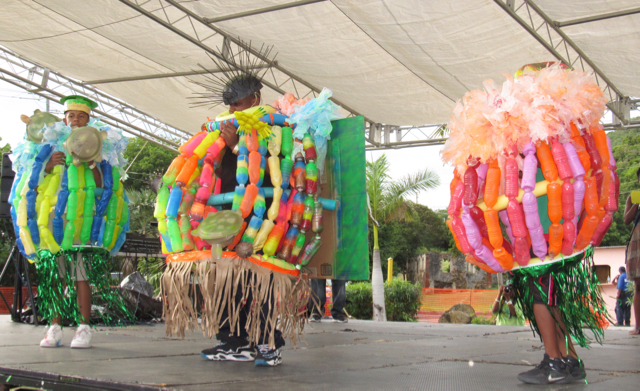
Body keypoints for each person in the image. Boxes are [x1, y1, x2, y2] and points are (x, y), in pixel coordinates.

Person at [200, 75, 284, 367]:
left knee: (260, 279)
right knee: (228, 280)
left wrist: (236, 147)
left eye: (238, 104)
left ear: (254, 100)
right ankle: (233, 341)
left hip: (259, 220)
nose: (234, 111)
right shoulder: (226, 126)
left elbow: (273, 168)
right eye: (230, 106)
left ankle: (266, 342)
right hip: (228, 217)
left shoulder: (274, 126)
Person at [39, 95, 102, 349]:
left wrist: (91, 164)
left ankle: (83, 328)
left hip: (81, 219)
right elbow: (37, 184)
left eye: (81, 116)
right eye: (71, 116)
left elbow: (101, 186)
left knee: (80, 273)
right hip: (55, 216)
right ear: (64, 119)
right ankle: (54, 326)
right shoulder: (52, 146)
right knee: (56, 273)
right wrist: (47, 167)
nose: (75, 120)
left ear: (89, 120)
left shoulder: (97, 147)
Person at [623, 167, 640, 335]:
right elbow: (626, 220)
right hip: (637, 240)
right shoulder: (633, 197)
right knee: (639, 285)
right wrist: (636, 204)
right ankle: (638, 326)